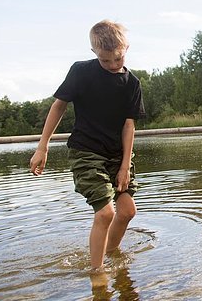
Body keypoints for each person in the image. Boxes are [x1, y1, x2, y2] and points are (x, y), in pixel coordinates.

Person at [29, 20, 146, 273]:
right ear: (94, 53)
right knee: (105, 214)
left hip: (117, 153)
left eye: (118, 58)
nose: (113, 65)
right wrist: (42, 146)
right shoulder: (81, 72)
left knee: (126, 211)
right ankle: (97, 272)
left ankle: (110, 253)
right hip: (86, 151)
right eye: (106, 61)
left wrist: (125, 165)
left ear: (126, 47)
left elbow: (129, 126)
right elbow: (58, 106)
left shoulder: (132, 84)